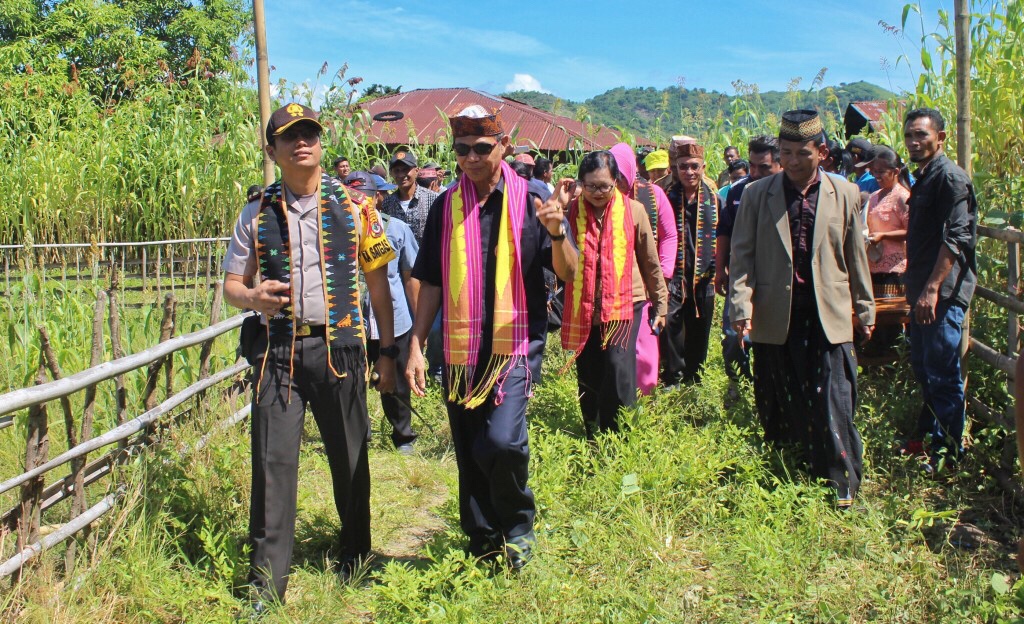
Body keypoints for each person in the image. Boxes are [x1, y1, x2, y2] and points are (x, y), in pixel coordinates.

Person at [222, 104, 398, 606]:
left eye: (310, 134)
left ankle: (356, 553)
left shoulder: (358, 207)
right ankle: (266, 587)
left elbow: (379, 288)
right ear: (272, 149)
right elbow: (232, 286)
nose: (302, 142)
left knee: (351, 456)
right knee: (273, 465)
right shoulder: (255, 213)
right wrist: (253, 298)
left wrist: (386, 351)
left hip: (341, 345)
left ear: (321, 143)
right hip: (278, 353)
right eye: (289, 136)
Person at [406, 105, 578, 568]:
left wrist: (558, 233)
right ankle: (482, 539)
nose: (472, 158)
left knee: (501, 441)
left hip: (515, 346)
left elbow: (569, 271)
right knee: (469, 446)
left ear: (503, 146)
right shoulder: (445, 205)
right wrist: (417, 345)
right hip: (461, 350)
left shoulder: (534, 199)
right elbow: (432, 282)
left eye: (483, 148)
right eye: (462, 149)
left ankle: (518, 526)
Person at [729, 109, 874, 507]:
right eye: (786, 152)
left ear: (822, 152)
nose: (792, 161)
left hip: (829, 311)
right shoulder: (759, 195)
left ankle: (841, 480)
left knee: (835, 395)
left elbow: (855, 255)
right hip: (776, 312)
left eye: (802, 153)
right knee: (780, 392)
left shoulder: (844, 193)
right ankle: (789, 467)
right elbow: (742, 257)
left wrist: (865, 308)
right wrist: (741, 307)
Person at [562, 149, 667, 437]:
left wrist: (661, 304)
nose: (598, 193)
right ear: (580, 183)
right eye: (591, 186)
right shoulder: (570, 211)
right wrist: (559, 208)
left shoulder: (633, 211)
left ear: (617, 181)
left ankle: (620, 437)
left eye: (605, 186)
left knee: (619, 370)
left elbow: (650, 261)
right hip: (584, 307)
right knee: (590, 372)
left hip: (625, 304)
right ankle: (594, 434)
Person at [902, 107, 977, 468]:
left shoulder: (950, 178)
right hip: (921, 291)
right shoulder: (924, 177)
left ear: (940, 138)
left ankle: (949, 454)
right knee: (924, 367)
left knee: (944, 372)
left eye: (922, 135)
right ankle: (929, 439)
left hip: (941, 294)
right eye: (909, 136)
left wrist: (932, 289)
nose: (915, 142)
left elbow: (957, 236)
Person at [346, 171, 421, 454]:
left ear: (377, 197)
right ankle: (359, 434)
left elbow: (410, 276)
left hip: (395, 319)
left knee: (397, 381)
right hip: (353, 319)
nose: (357, 202)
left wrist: (418, 327)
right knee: (354, 380)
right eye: (351, 197)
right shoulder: (338, 229)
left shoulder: (398, 229)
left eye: (363, 196)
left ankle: (403, 435)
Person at [609, 142, 676, 395]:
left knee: (646, 345)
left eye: (622, 178)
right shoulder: (599, 197)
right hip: (613, 287)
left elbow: (669, 234)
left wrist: (664, 272)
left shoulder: (653, 195)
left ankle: (644, 398)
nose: (617, 185)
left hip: (645, 283)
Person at [715, 135, 782, 381]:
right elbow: (724, 231)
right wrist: (720, 269)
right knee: (734, 335)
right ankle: (738, 384)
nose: (755, 172)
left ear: (780, 164)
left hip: (776, 278)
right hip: (742, 274)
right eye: (752, 165)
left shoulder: (787, 194)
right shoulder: (737, 191)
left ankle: (768, 384)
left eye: (763, 167)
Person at [661, 139, 718, 385]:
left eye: (694, 166)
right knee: (671, 324)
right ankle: (673, 376)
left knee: (700, 326)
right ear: (676, 167)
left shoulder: (714, 200)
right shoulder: (666, 197)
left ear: (703, 167)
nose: (689, 172)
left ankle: (696, 376)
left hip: (705, 275)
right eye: (683, 166)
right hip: (674, 275)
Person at [380, 147, 438, 243]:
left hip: (425, 257)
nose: (401, 175)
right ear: (391, 173)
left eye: (405, 169)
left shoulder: (432, 198)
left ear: (417, 171)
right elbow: (385, 234)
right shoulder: (387, 203)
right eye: (397, 170)